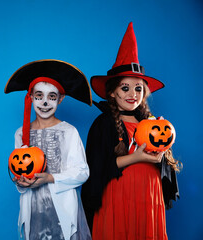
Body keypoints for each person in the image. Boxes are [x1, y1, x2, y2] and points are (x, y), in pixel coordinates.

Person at [80, 22, 180, 240]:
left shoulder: (152, 122)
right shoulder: (103, 124)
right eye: (124, 88)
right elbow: (97, 169)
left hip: (148, 196)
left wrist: (161, 157)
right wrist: (135, 157)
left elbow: (166, 168)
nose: (132, 94)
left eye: (138, 88)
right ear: (113, 93)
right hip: (118, 197)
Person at [5, 60, 92, 240]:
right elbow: (19, 167)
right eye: (39, 96)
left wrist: (51, 178)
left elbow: (82, 172)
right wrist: (21, 182)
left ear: (60, 99)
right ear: (30, 97)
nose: (45, 102)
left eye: (52, 97)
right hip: (34, 213)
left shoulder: (69, 132)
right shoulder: (21, 133)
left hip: (63, 211)